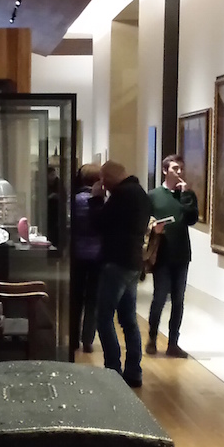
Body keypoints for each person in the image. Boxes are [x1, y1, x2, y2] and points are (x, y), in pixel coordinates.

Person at [89, 161, 152, 388]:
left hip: (116, 262)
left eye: (104, 178)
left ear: (112, 176)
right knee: (128, 320)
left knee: (104, 318)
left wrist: (96, 199)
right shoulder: (141, 194)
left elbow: (99, 223)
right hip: (133, 262)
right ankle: (134, 371)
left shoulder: (122, 195)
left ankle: (112, 369)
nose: (102, 183)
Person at [147, 154, 201, 357]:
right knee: (160, 297)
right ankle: (152, 338)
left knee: (178, 300)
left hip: (181, 253)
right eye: (174, 168)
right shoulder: (154, 195)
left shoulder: (187, 195)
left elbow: (191, 218)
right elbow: (146, 220)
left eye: (181, 169)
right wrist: (154, 228)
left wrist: (185, 195)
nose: (179, 172)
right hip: (161, 253)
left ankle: (173, 343)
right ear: (165, 171)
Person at [68, 163, 103, 355]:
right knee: (93, 300)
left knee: (76, 299)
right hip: (97, 255)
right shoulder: (99, 201)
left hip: (77, 254)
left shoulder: (74, 200)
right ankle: (88, 339)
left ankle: (73, 339)